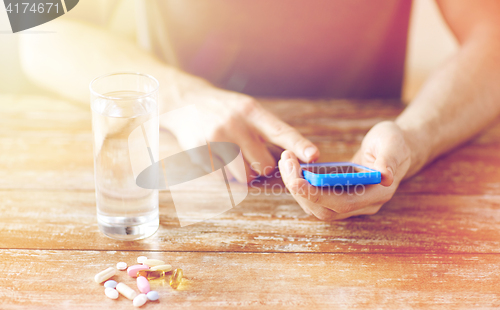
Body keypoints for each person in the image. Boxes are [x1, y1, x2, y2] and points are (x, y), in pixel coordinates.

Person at [19, 0, 500, 220]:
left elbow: (493, 36)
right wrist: (182, 97)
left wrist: (414, 138)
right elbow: (36, 28)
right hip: (178, 178)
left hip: (376, 181)